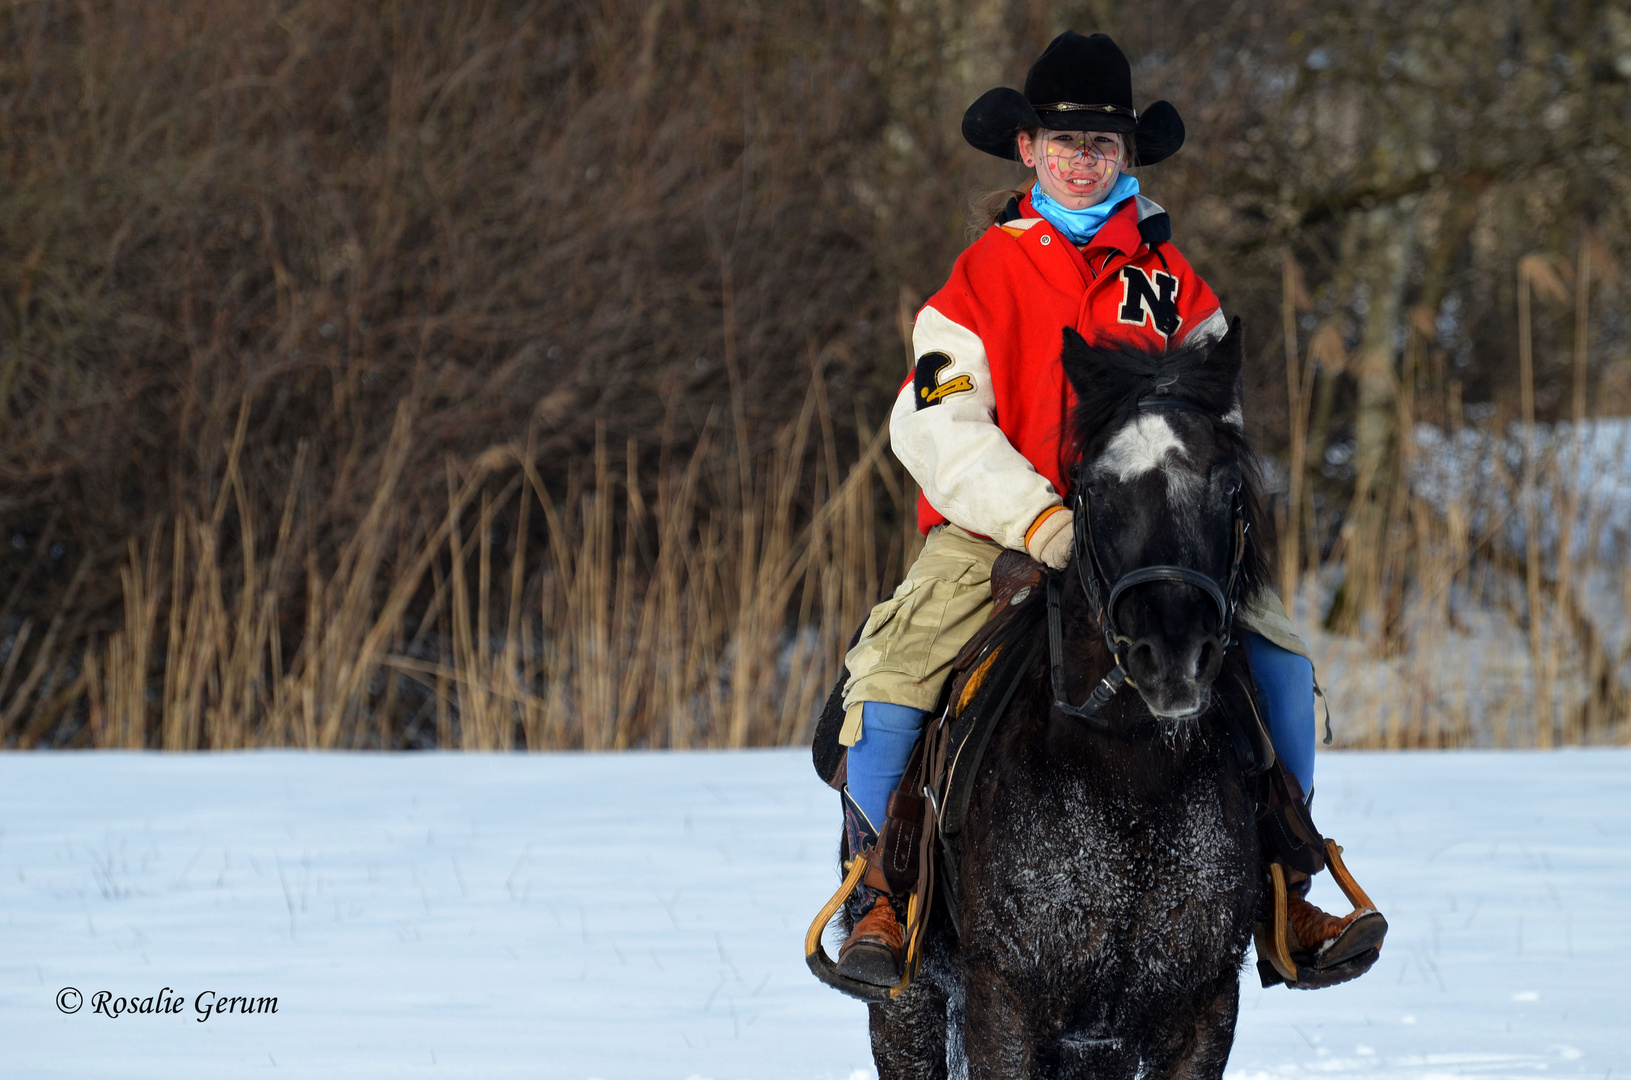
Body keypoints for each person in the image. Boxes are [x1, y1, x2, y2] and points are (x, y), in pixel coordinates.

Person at [833, 30, 1384, 987]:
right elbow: (935, 429)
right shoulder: (973, 285)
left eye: (1101, 146)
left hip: (1157, 546)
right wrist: (1041, 521)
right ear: (1026, 150)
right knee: (886, 688)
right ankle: (882, 889)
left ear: (1127, 157)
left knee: (1283, 668)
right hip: (999, 537)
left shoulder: (1180, 290)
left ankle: (1286, 882)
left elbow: (1222, 426)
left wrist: (1184, 520)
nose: (1081, 162)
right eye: (1062, 142)